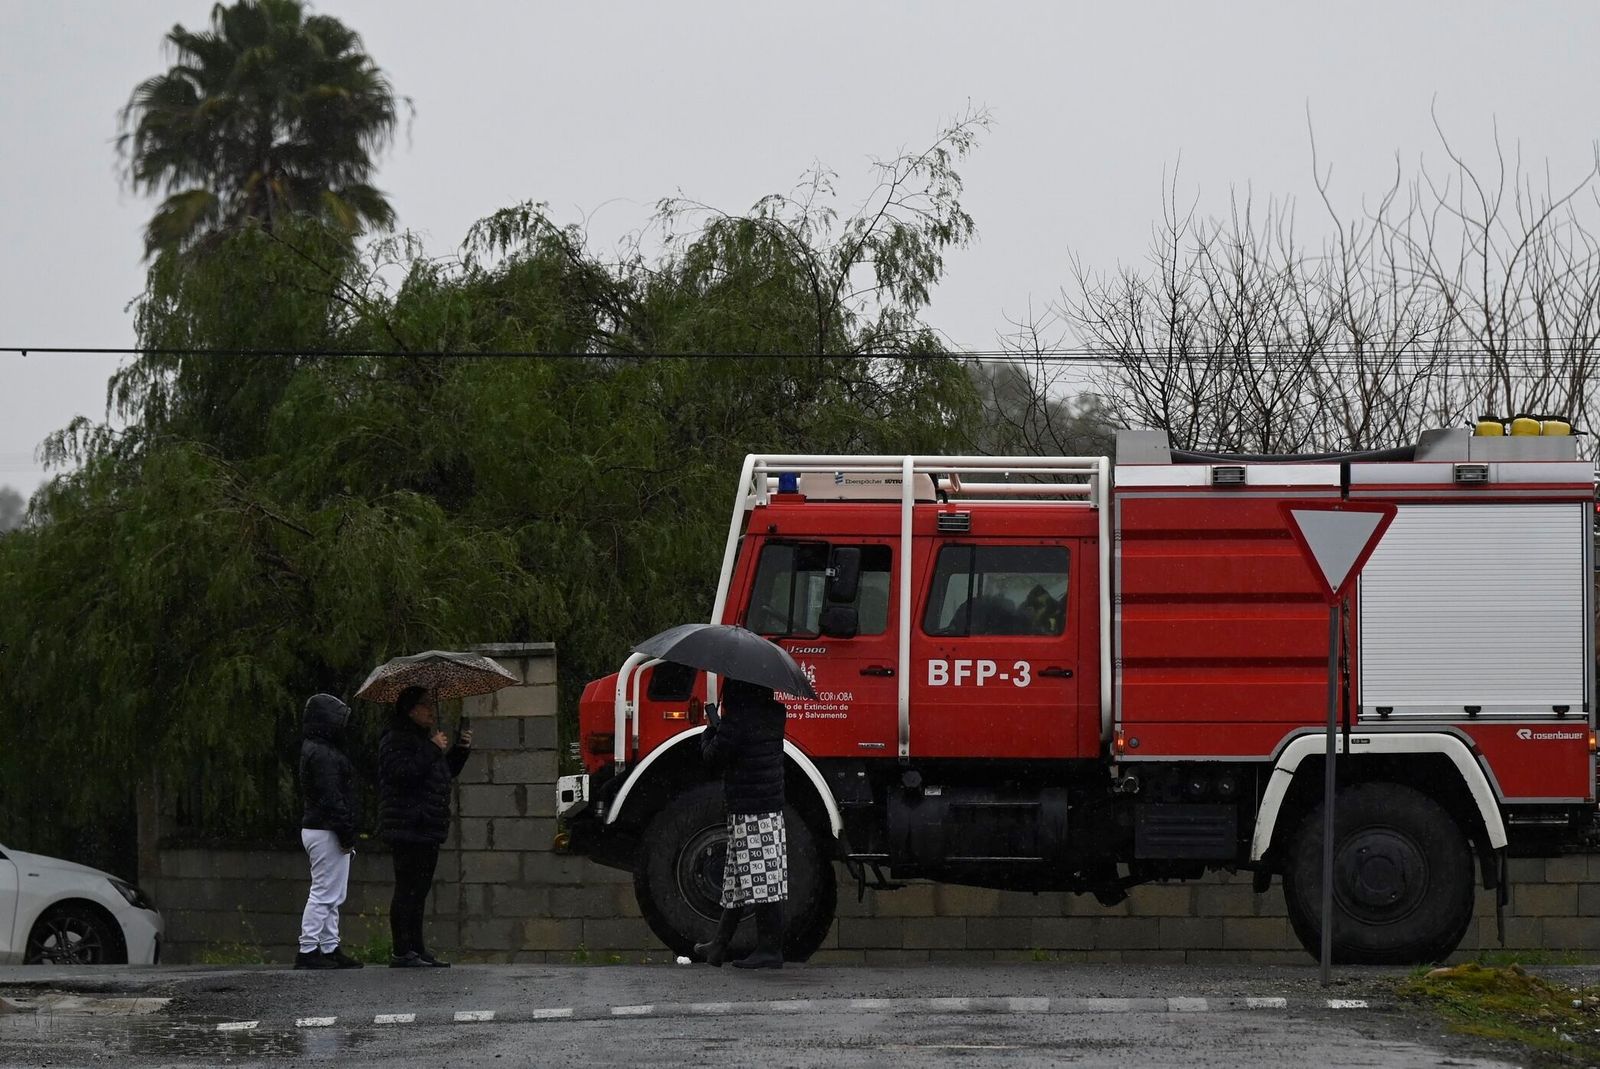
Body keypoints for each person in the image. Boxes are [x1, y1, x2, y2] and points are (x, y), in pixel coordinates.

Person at [694, 677, 788, 970]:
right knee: (737, 879)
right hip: (766, 806)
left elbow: (712, 758)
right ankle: (718, 947)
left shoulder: (738, 721)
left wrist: (711, 729)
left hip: (751, 810)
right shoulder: (773, 715)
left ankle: (770, 950)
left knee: (763, 880)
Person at [378, 685, 471, 968]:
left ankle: (416, 948)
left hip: (427, 826)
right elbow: (402, 774)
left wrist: (460, 750)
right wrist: (432, 749)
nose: (431, 710)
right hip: (408, 825)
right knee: (407, 888)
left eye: (431, 703)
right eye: (424, 704)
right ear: (410, 709)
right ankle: (401, 950)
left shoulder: (423, 739)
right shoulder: (396, 739)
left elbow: (441, 774)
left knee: (419, 890)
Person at [297, 693, 363, 970]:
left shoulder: (315, 749)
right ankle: (309, 948)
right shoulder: (324, 754)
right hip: (326, 831)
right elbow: (332, 799)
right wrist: (346, 834)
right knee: (325, 893)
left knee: (332, 893)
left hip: (321, 828)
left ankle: (328, 946)